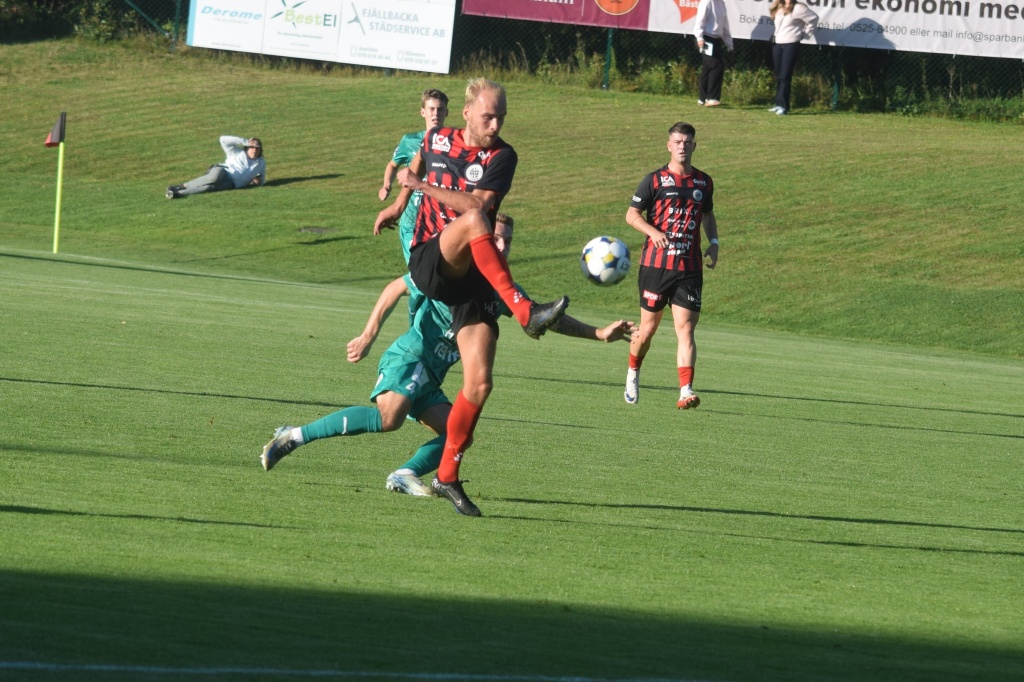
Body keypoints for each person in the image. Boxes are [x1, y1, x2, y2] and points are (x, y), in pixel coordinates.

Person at [259, 216, 635, 506]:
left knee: (458, 434)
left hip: (432, 376)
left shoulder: (503, 288)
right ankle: (293, 436)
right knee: (389, 419)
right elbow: (395, 287)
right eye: (495, 237)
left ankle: (404, 474)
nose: (500, 245)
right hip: (411, 357)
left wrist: (600, 333)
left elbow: (543, 318)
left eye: (507, 240)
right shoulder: (453, 269)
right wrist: (368, 336)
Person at [378, 79, 571, 516]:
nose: (495, 125)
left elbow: (476, 201)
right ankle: (524, 310)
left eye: (501, 117)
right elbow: (423, 163)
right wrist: (399, 204)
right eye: (488, 117)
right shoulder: (437, 137)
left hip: (470, 276)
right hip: (431, 259)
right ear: (466, 113)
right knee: (476, 221)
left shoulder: (503, 156)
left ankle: (446, 475)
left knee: (479, 383)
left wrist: (421, 186)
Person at [623, 122, 719, 410]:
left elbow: (708, 215)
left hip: (689, 269)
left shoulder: (704, 182)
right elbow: (632, 215)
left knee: (686, 328)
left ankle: (685, 390)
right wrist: (653, 232)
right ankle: (633, 371)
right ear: (669, 145)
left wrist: (714, 242)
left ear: (694, 146)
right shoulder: (654, 180)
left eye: (687, 142)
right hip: (656, 267)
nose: (682, 146)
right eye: (677, 141)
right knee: (647, 329)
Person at [376, 89, 450, 264]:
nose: (436, 114)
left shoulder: (454, 143)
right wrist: (387, 184)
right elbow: (393, 165)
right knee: (419, 273)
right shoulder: (410, 141)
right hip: (412, 221)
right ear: (422, 112)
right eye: (431, 109)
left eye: (440, 109)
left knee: (435, 274)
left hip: (441, 221)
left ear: (446, 112)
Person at [166, 135, 265, 199]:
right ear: (247, 148)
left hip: (233, 183)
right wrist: (244, 141)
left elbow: (262, 180)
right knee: (214, 178)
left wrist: (258, 182)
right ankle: (182, 186)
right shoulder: (236, 152)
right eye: (252, 147)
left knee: (209, 188)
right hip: (223, 170)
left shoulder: (261, 163)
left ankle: (178, 194)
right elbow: (223, 139)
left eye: (257, 148)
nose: (254, 150)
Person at [769, 0, 819, 115]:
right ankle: (778, 103)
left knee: (785, 75)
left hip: (791, 44)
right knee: (779, 74)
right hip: (777, 44)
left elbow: (814, 18)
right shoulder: (779, 7)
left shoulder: (799, 8)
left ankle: (784, 106)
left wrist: (805, 34)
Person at [694, 0, 733, 107]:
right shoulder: (707, 2)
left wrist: (729, 44)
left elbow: (725, 25)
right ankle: (712, 97)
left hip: (716, 40)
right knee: (717, 66)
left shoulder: (721, 3)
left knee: (707, 68)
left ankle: (702, 98)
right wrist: (699, 37)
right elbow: (700, 20)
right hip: (705, 38)